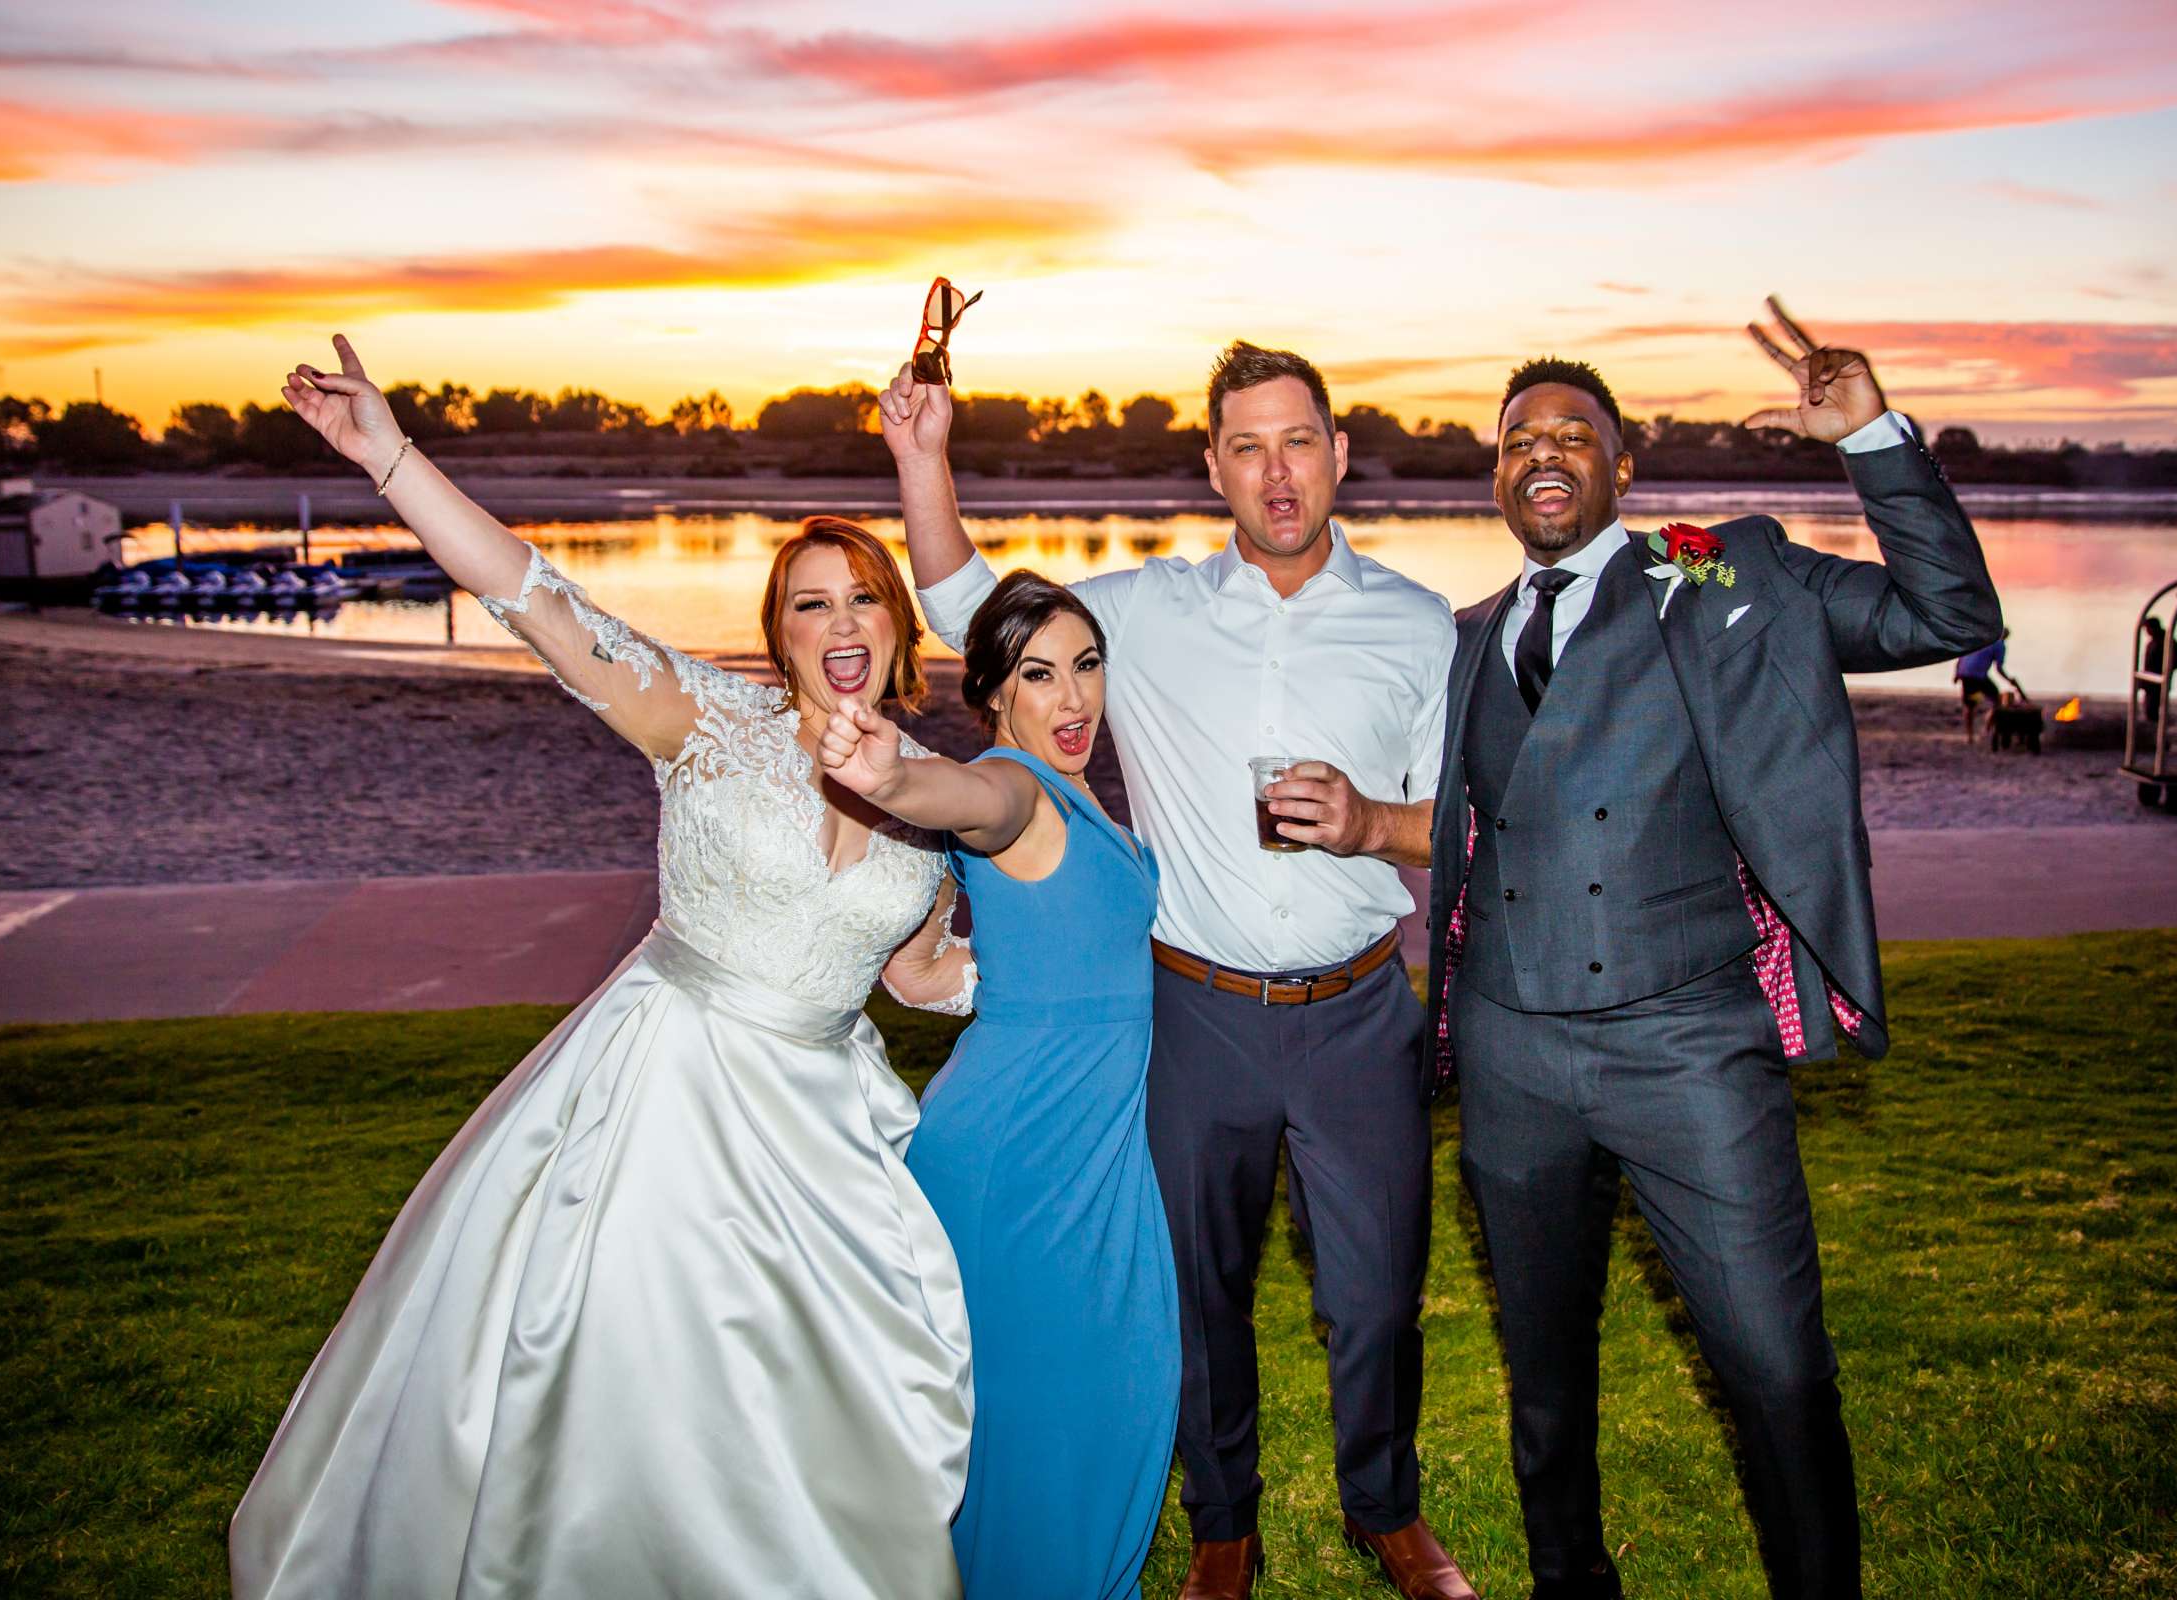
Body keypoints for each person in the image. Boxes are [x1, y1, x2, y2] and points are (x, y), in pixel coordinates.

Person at [229, 336, 977, 1600]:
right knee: (639, 1395)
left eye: (861, 596)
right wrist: (390, 457)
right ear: (778, 634)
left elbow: (914, 976)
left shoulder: (930, 791)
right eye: (810, 601)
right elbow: (535, 599)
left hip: (825, 1130)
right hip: (665, 1098)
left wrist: (1075, 996)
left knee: (809, 1411)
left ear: (897, 624)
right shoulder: (703, 720)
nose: (840, 622)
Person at [1426, 300, 2002, 1600]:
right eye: (1522, 438)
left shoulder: (1710, 564)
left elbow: (1943, 611)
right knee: (1544, 1377)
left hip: (1687, 1047)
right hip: (1512, 1058)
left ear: (1624, 469)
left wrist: (1872, 436)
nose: (1548, 451)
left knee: (1780, 1370)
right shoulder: (1467, 634)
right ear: (1498, 475)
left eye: (1579, 432)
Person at [882, 339, 1470, 1600]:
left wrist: (1372, 820)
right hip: (1196, 1011)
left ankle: (1384, 1507)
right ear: (1213, 466)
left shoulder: (1417, 625)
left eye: (1298, 440)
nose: (1276, 470)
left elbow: (1461, 823)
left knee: (1374, 1294)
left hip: (1361, 1006)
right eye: (1247, 445)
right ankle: (1223, 1520)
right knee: (1197, 1290)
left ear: (1339, 454)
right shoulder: (1141, 616)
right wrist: (923, 458)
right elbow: (967, 606)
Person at [814, 570, 1178, 1600]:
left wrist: (987, 966)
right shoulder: (1013, 789)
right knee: (1048, 1431)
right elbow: (967, 799)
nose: (1073, 701)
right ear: (994, 696)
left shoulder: (1080, 798)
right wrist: (894, 782)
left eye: (1087, 667)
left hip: (1089, 1147)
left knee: (1113, 1403)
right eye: (1039, 675)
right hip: (1023, 1165)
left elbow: (919, 971)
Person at [1954, 627, 2024, 744]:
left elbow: (1962, 656)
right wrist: (2009, 680)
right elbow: (1999, 668)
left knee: (1970, 706)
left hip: (1965, 674)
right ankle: (1986, 729)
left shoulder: (1981, 638)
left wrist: (1956, 674)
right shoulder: (1999, 645)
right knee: (1997, 702)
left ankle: (1970, 736)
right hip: (1977, 677)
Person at [2140, 615, 2177, 722]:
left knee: (2154, 710)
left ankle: (2159, 730)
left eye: (2147, 628)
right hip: (2150, 682)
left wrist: (2163, 671)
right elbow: (2147, 664)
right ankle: (2155, 729)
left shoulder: (2167, 642)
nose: (2146, 631)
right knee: (2149, 709)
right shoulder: (2152, 643)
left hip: (2160, 682)